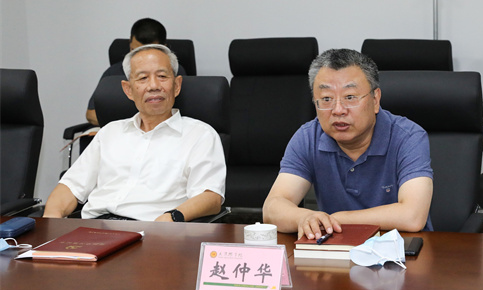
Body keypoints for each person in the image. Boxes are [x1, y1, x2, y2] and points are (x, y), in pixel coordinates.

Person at [262, 48, 434, 239]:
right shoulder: (308, 137)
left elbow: (413, 216)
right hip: (337, 248)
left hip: (402, 249)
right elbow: (272, 208)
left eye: (350, 97)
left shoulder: (408, 137)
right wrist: (304, 217)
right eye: (326, 99)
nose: (338, 110)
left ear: (375, 99)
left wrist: (337, 218)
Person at [44, 44, 225, 222]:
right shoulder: (109, 132)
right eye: (143, 78)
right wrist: (51, 221)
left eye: (162, 76)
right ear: (128, 90)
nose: (153, 85)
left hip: (154, 230)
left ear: (177, 85)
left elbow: (210, 196)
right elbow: (70, 187)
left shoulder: (200, 135)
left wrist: (172, 217)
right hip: (96, 228)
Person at [85, 18, 186, 126]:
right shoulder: (113, 73)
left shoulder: (175, 70)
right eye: (135, 51)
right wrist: (132, 124)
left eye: (161, 76)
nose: (153, 86)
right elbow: (91, 114)